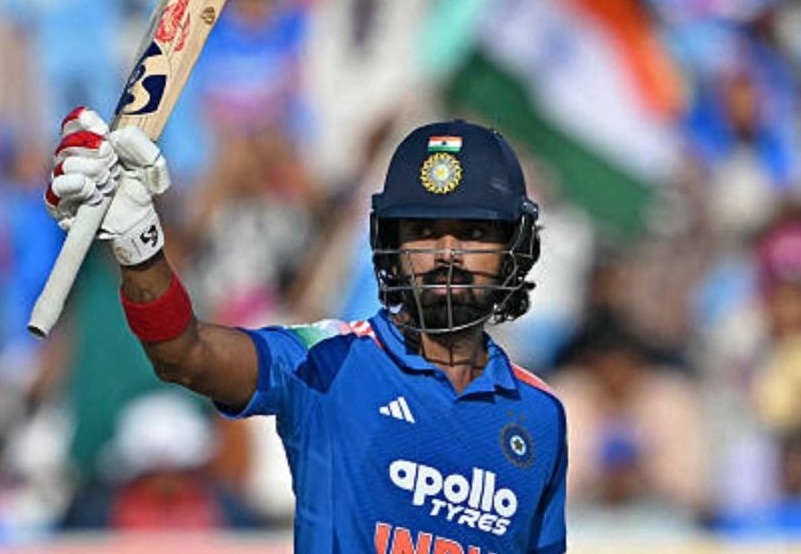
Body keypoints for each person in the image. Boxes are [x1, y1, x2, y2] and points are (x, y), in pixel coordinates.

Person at [45, 110, 567, 553]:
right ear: (391, 245)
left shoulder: (540, 416)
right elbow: (185, 353)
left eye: (474, 234)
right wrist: (139, 246)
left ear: (513, 251)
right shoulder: (330, 360)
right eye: (423, 232)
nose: (447, 254)